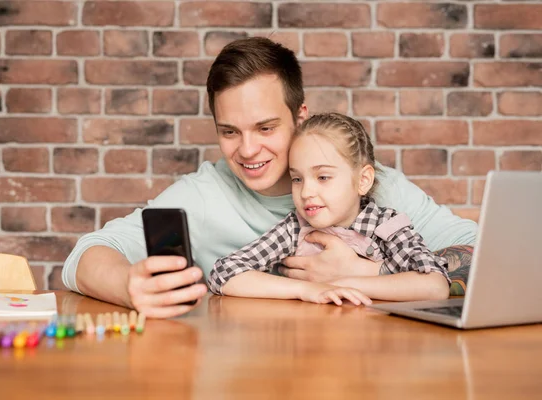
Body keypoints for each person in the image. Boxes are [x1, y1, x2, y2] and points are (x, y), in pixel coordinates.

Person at [62, 37, 477, 318]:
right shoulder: (204, 196)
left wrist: (375, 276)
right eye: (229, 132)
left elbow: (482, 253)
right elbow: (88, 255)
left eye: (265, 128)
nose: (246, 150)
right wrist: (127, 284)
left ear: (300, 117)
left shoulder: (372, 186)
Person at [208, 113, 450, 305]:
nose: (305, 193)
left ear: (363, 180)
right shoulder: (295, 228)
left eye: (323, 177)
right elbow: (224, 274)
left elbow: (435, 285)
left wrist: (343, 282)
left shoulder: (387, 225)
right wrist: (307, 289)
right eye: (297, 179)